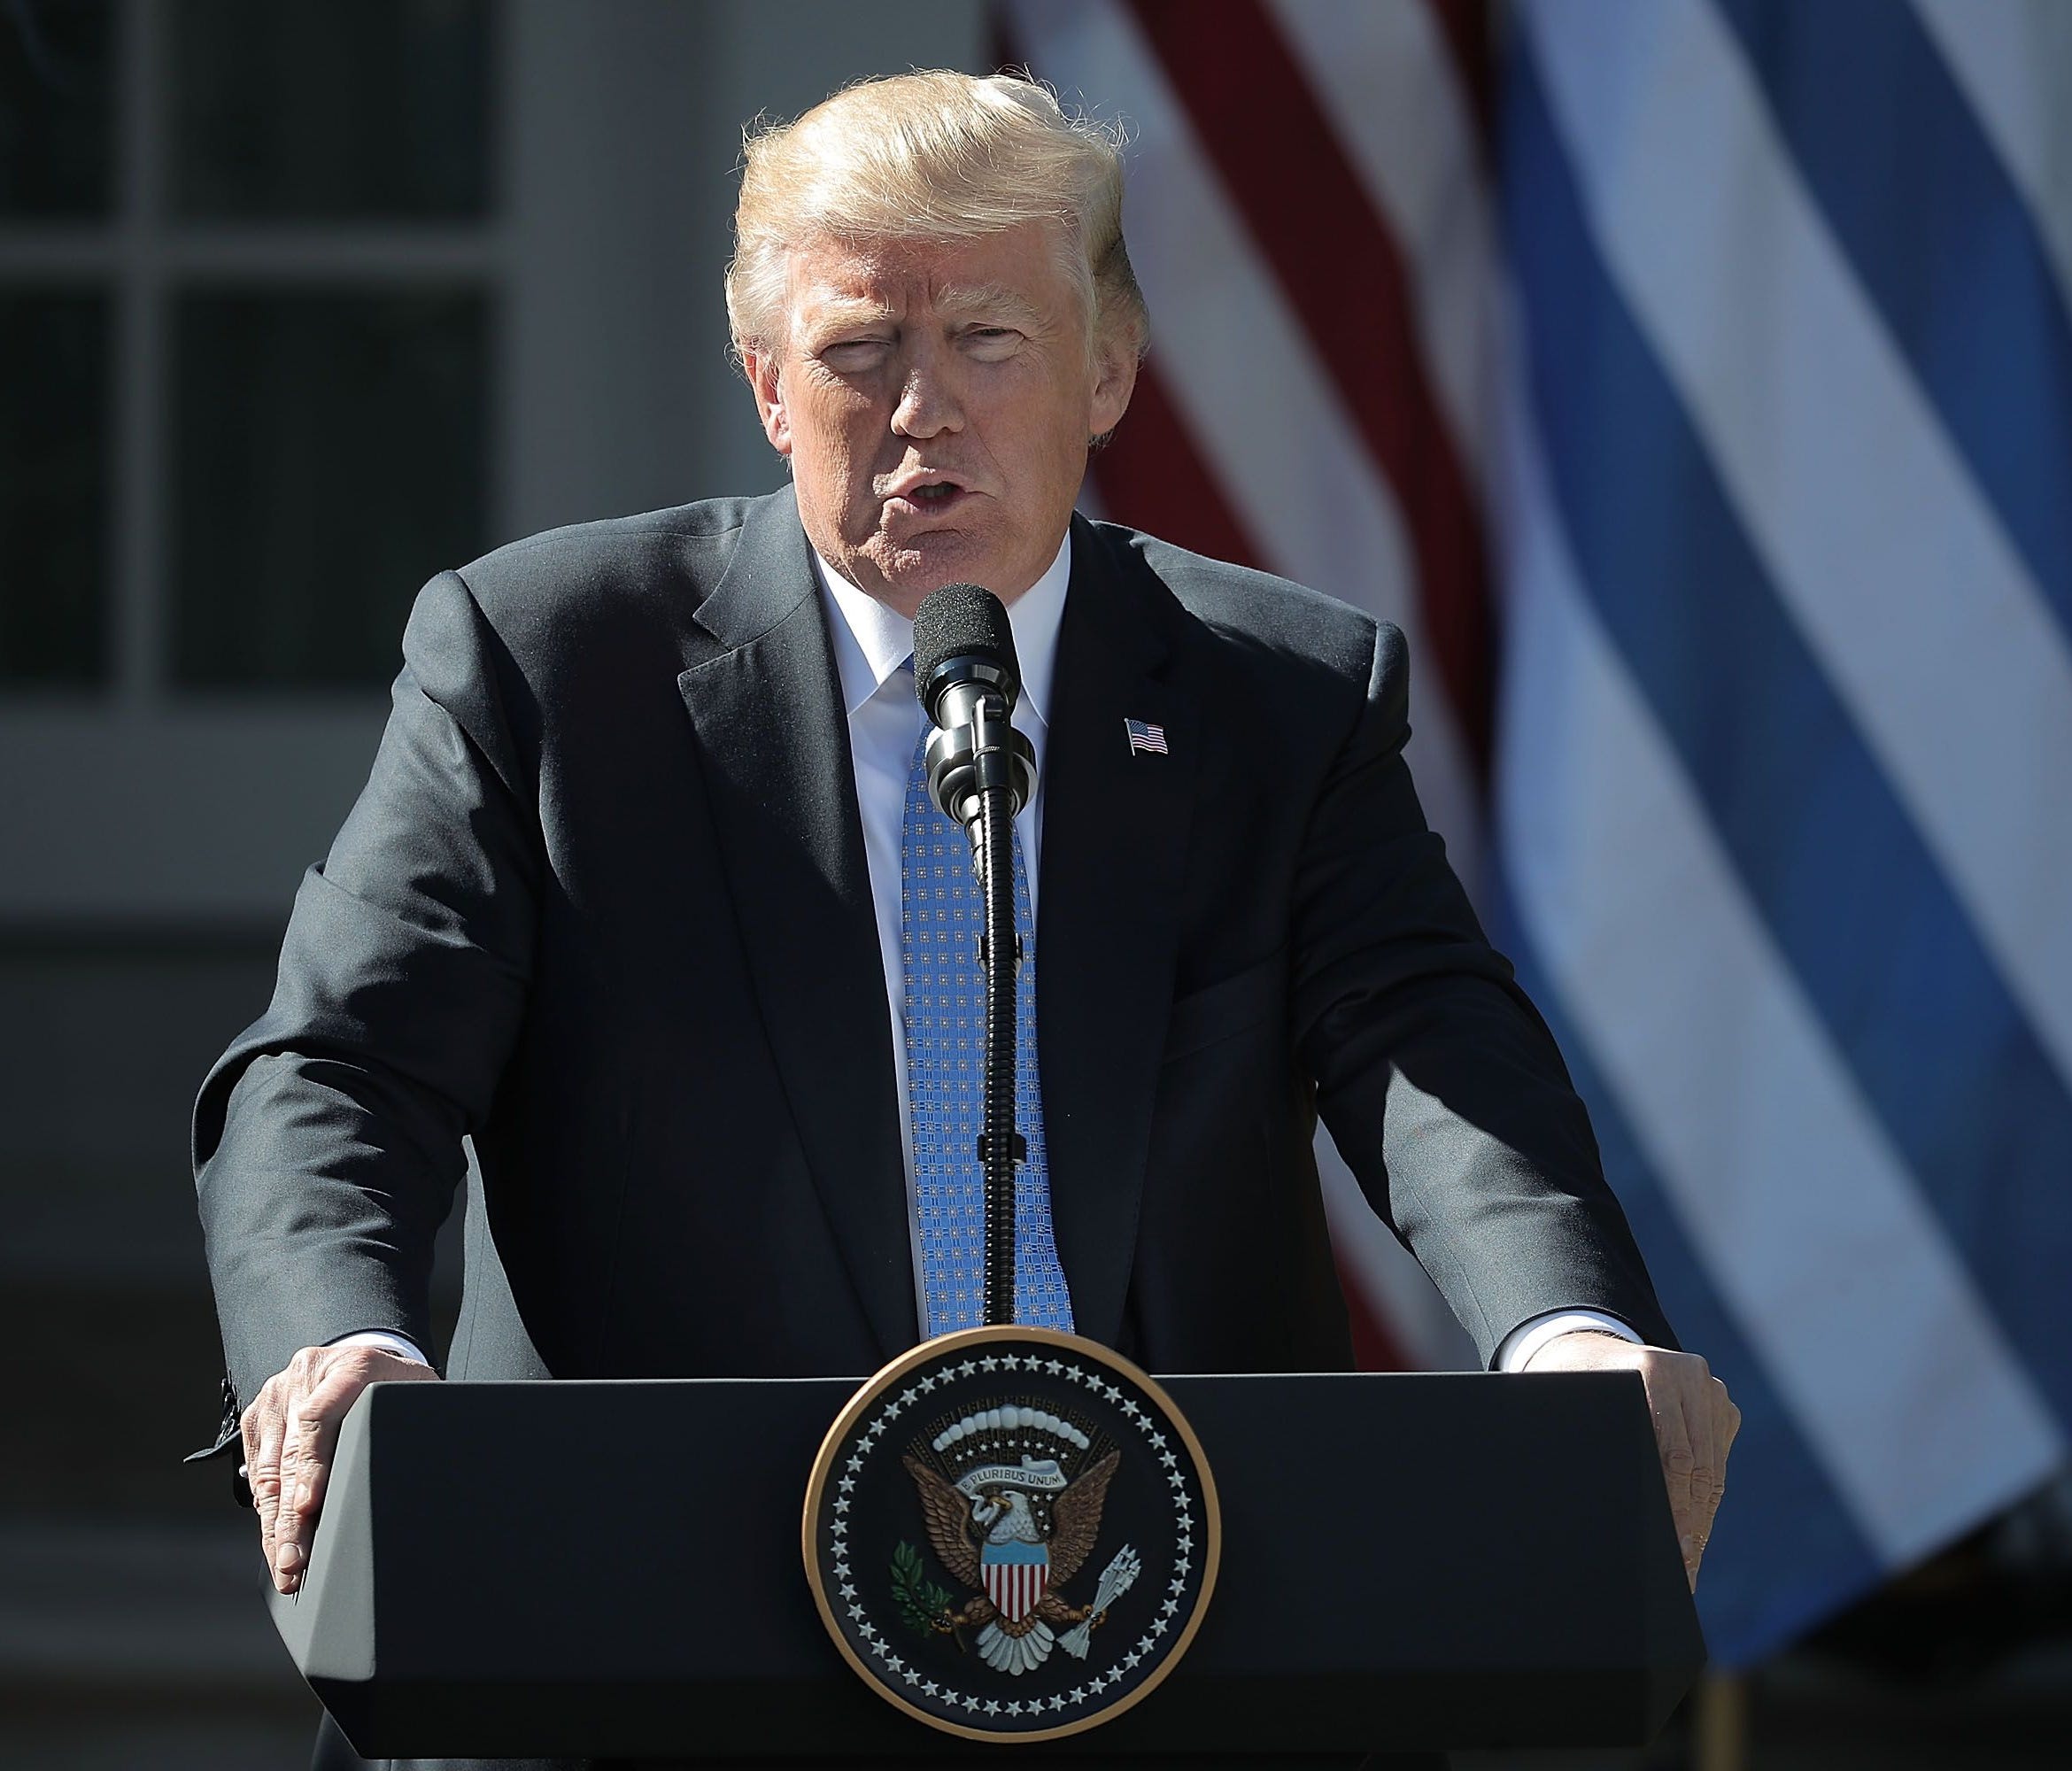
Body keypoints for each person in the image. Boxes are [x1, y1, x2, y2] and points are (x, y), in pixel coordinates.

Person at [190, 70, 1737, 1771]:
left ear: (1110, 371)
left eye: (992, 340)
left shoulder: (1279, 695)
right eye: (861, 351)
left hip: (1160, 1632)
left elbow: (1428, 1045)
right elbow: (338, 1069)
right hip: (644, 1638)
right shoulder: (549, 663)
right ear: (771, 390)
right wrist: (339, 1338)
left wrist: (1565, 1329)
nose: (926, 410)